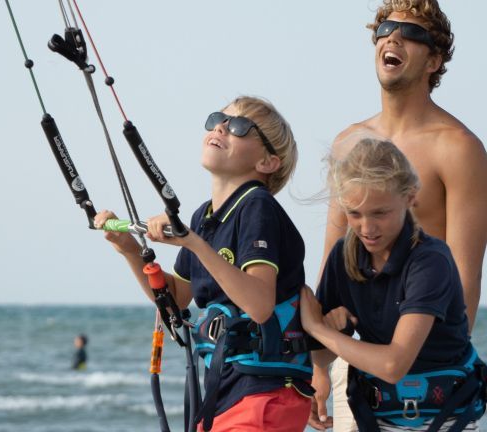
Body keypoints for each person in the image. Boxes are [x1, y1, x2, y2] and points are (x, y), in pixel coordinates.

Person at [314, 1, 487, 430]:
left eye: (410, 33)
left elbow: (465, 276)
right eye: (386, 29)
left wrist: (432, 368)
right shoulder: (348, 143)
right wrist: (317, 369)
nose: (392, 38)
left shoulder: (458, 148)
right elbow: (332, 268)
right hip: (358, 366)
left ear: (434, 59)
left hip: (432, 374)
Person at [96, 96, 312, 432]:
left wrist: (192, 242)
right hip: (221, 391)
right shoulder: (204, 216)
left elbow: (258, 305)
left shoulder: (257, 206)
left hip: (264, 393)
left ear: (269, 162)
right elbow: (176, 298)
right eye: (216, 119)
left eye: (239, 126)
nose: (222, 127)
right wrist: (129, 250)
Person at [302, 138, 485, 431]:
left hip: (444, 418)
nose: (367, 228)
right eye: (354, 213)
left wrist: (319, 329)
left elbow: (393, 366)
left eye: (380, 213)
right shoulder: (341, 257)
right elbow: (322, 354)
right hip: (376, 417)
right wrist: (334, 338)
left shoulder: (430, 260)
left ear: (410, 197)